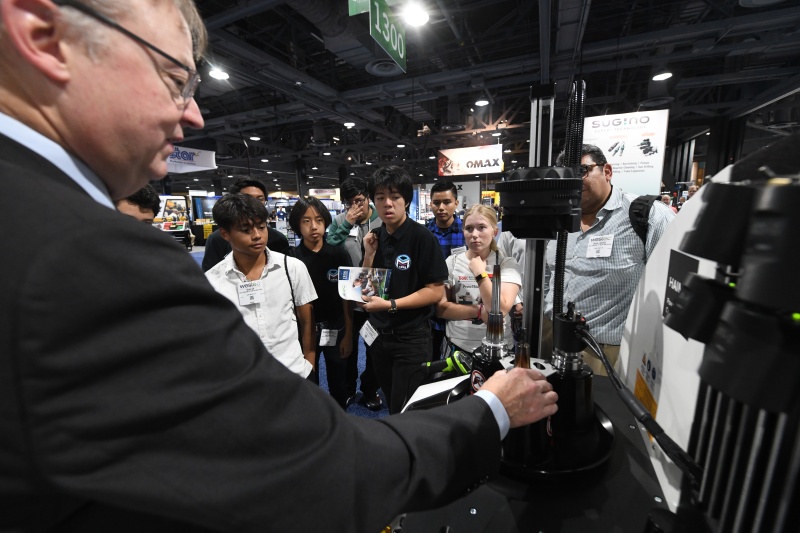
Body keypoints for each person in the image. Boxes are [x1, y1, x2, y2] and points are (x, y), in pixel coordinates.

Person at [0, 2, 558, 531]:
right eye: (175, 80)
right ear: (46, 38)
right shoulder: (83, 255)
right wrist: (492, 411)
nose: (193, 113)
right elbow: (320, 470)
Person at [542, 144, 674, 375]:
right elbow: (547, 275)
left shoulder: (647, 216)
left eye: (582, 171)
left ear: (607, 171)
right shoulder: (557, 220)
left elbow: (672, 285)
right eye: (566, 176)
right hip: (551, 339)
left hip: (605, 351)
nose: (574, 182)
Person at [361, 166, 450, 414]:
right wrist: (368, 255)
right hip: (378, 336)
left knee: (408, 407)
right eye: (380, 198)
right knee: (391, 400)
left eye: (395, 197)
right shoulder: (375, 237)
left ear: (406, 201)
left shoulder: (422, 237)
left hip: (410, 337)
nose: (387, 203)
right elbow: (365, 287)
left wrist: (391, 305)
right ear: (374, 202)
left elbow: (435, 291)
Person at [205, 194, 318, 379]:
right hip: (245, 382)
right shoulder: (212, 281)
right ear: (225, 233)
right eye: (246, 229)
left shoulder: (292, 268)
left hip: (295, 373)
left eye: (261, 227)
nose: (257, 235)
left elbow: (307, 322)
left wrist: (309, 365)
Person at [288, 197, 354, 407]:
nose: (313, 226)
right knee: (308, 382)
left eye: (318, 219)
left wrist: (349, 335)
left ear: (326, 222)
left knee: (338, 381)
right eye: (306, 221)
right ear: (298, 225)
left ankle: (340, 422)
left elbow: (347, 299)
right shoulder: (291, 258)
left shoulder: (339, 255)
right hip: (304, 333)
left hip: (336, 327)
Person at [326, 177, 383, 410]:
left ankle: (369, 389)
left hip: (375, 293)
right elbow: (328, 250)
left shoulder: (382, 220)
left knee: (375, 348)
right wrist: (346, 225)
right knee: (347, 347)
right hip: (347, 295)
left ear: (368, 198)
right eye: (350, 203)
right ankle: (348, 389)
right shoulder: (339, 221)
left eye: (359, 201)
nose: (356, 208)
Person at [437, 205, 522, 354]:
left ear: (494, 232)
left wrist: (480, 274)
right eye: (469, 228)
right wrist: (478, 312)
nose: (474, 234)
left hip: (498, 348)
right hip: (457, 345)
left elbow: (500, 310)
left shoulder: (506, 263)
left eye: (482, 227)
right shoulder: (453, 262)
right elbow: (441, 309)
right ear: (463, 232)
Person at [202, 178, 290, 272]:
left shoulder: (278, 239)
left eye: (260, 199)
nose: (257, 236)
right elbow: (210, 273)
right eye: (248, 198)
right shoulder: (217, 239)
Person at [425, 181, 465, 362]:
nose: (441, 208)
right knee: (431, 357)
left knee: (460, 357)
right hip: (431, 305)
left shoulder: (467, 232)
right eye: (436, 203)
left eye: (447, 202)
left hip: (461, 303)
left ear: (456, 203)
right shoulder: (424, 233)